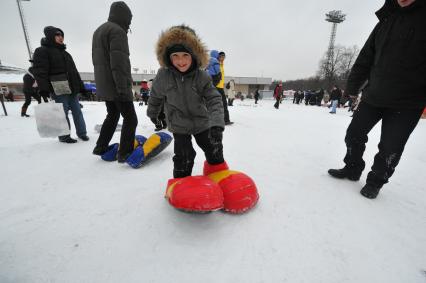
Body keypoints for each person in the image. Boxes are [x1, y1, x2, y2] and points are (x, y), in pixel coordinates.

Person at [328, 0, 426, 199]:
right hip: (374, 94)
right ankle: (353, 168)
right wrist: (352, 87)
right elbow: (366, 57)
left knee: (390, 147)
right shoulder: (386, 19)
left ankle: (376, 181)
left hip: (408, 102)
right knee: (354, 134)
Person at [147, 24, 226, 178]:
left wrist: (216, 124)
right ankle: (182, 182)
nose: (180, 61)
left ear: (194, 55)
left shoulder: (201, 76)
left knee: (213, 147)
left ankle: (218, 173)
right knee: (184, 155)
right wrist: (153, 113)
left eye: (185, 55)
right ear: (168, 57)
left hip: (201, 122)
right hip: (179, 124)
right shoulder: (164, 76)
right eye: (175, 56)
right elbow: (156, 96)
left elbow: (214, 99)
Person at [91, 1, 138, 162]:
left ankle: (100, 146)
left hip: (105, 84)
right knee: (131, 118)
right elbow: (119, 63)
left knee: (112, 115)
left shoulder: (99, 30)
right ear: (124, 16)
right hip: (117, 85)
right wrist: (123, 87)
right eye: (129, 19)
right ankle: (125, 153)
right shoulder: (117, 31)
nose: (130, 23)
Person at [32, 26, 88, 143]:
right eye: (57, 35)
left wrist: (82, 88)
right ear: (51, 36)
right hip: (58, 87)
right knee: (62, 113)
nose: (60, 37)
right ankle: (64, 136)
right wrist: (43, 88)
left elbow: (74, 73)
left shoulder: (66, 54)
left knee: (77, 111)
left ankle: (82, 133)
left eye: (62, 35)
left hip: (72, 88)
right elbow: (40, 71)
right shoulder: (42, 51)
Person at [207, 50, 232, 125]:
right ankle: (225, 120)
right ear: (218, 56)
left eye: (224, 57)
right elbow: (216, 74)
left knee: (217, 103)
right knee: (223, 104)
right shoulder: (216, 63)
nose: (223, 58)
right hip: (217, 86)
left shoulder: (218, 64)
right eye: (221, 56)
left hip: (218, 86)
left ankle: (219, 119)